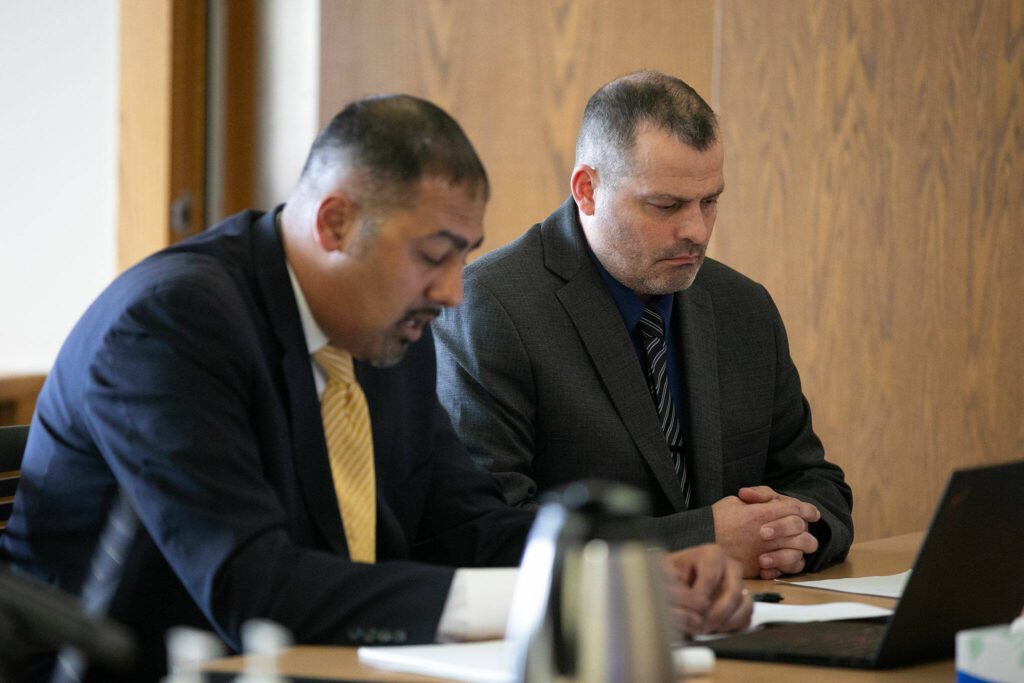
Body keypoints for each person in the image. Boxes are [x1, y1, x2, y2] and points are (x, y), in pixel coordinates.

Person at [0, 94, 750, 682]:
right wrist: (552, 597)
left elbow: (469, 528)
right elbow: (255, 587)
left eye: (465, 257)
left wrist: (622, 571)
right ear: (335, 223)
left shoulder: (387, 324)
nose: (455, 292)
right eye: (434, 254)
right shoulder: (169, 324)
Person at [434, 72, 854, 580]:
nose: (696, 231)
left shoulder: (744, 307)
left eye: (710, 201)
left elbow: (815, 481)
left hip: (752, 623)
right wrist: (702, 541)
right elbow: (486, 533)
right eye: (665, 205)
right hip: (588, 641)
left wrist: (788, 535)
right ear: (587, 190)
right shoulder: (491, 307)